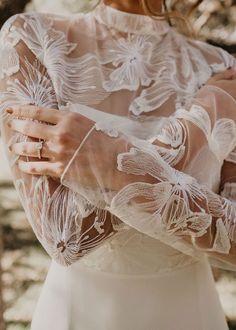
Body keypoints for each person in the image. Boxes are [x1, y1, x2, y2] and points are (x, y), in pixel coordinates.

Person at [0, 0, 236, 329]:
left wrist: (110, 162)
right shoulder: (31, 38)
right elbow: (65, 236)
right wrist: (194, 126)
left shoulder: (218, 67)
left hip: (189, 311)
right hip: (81, 311)